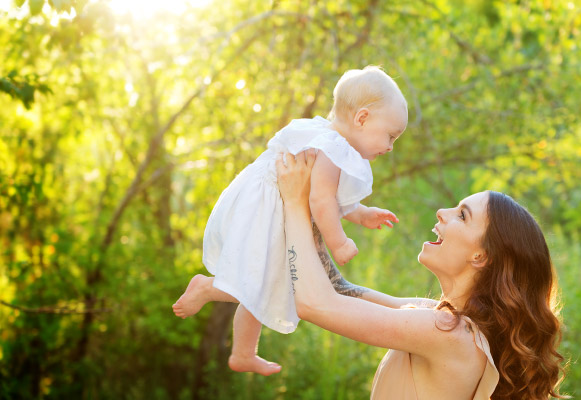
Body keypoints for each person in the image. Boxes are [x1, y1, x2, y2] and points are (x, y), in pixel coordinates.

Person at [276, 149, 567, 400]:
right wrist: (315, 210)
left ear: (481, 256)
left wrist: (293, 202)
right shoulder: (442, 319)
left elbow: (315, 303)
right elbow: (339, 288)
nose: (442, 213)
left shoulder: (446, 331)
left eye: (462, 215)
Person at [172, 66, 408, 375]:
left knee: (263, 283)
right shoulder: (332, 148)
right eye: (390, 136)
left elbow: (330, 199)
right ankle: (206, 288)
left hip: (270, 209)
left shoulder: (324, 135)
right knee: (255, 280)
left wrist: (362, 214)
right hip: (271, 213)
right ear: (362, 119)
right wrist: (339, 243)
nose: (390, 146)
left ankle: (243, 353)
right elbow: (320, 202)